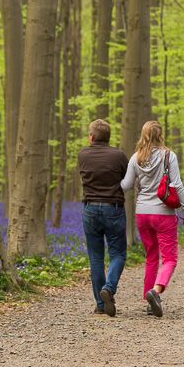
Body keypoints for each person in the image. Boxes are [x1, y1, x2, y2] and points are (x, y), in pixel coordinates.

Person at [120, 120, 184, 318]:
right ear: (161, 136)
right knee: (169, 258)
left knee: (151, 256)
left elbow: (125, 185)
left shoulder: (136, 158)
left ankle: (149, 302)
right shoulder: (169, 156)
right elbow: (177, 185)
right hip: (163, 213)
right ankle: (156, 291)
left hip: (142, 214)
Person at [77, 119, 129, 317]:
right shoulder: (118, 156)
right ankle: (109, 287)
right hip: (113, 208)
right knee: (118, 254)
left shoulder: (83, 155)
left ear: (91, 137)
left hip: (90, 209)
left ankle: (100, 304)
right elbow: (126, 179)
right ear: (109, 137)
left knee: (96, 258)